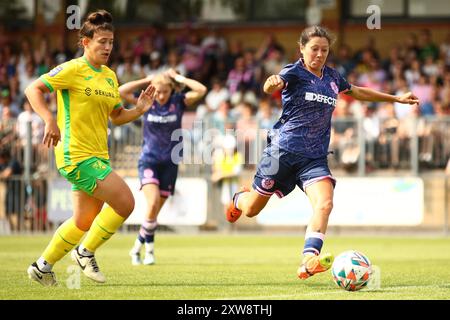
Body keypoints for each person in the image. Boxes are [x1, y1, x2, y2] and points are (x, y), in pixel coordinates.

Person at [226, 26, 419, 280]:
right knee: (252, 209)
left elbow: (358, 92)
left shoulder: (333, 77)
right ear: (302, 49)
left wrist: (395, 99)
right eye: (314, 49)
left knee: (325, 203)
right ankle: (239, 198)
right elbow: (273, 84)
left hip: (314, 157)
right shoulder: (293, 72)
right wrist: (270, 83)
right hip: (281, 153)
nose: (319, 54)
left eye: (324, 50)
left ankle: (308, 259)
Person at [24, 10, 156, 286]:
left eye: (111, 42)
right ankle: (85, 252)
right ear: (85, 42)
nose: (108, 47)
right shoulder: (72, 69)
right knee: (126, 202)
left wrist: (140, 109)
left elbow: (117, 117)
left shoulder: (109, 76)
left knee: (83, 220)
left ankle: (42, 266)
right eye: (102, 41)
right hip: (76, 155)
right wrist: (49, 119)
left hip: (98, 157)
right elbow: (33, 89)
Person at [119, 68, 206, 265]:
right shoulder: (147, 101)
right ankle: (149, 251)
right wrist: (147, 79)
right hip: (149, 159)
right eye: (157, 91)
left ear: (171, 91)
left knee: (154, 212)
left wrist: (178, 78)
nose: (160, 96)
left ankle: (135, 249)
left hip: (170, 162)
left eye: (164, 92)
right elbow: (121, 91)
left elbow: (201, 90)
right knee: (151, 204)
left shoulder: (178, 101)